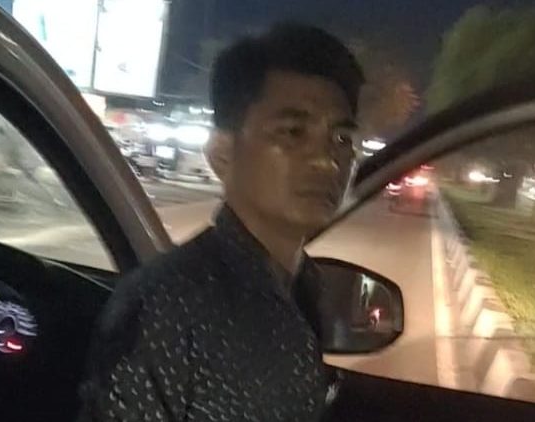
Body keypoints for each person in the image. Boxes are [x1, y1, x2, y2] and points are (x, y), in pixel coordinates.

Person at [79, 23, 364, 422]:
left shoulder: (306, 287)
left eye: (341, 139)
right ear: (222, 154)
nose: (327, 162)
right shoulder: (165, 306)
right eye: (293, 132)